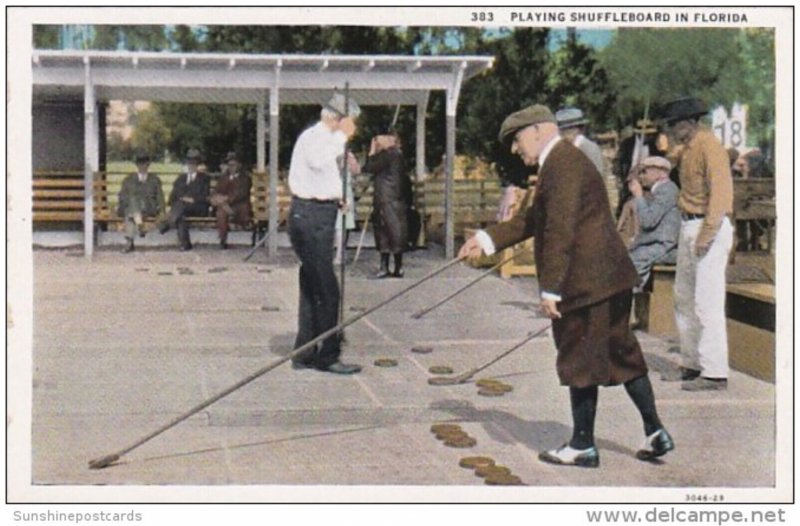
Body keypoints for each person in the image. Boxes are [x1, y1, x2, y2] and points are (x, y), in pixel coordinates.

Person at [460, 104, 673, 468]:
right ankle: (655, 432)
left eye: (517, 139)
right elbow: (532, 219)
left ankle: (582, 445)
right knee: (622, 353)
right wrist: (486, 238)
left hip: (586, 283)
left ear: (540, 130)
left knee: (579, 359)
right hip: (609, 278)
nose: (514, 149)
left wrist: (551, 289)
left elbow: (559, 228)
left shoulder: (561, 164)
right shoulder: (561, 162)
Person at [659, 97, 734, 391]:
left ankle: (714, 372)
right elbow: (674, 159)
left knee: (707, 301)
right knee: (684, 299)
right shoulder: (689, 148)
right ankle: (691, 364)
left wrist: (708, 233)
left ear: (690, 122)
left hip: (707, 225)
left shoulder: (709, 146)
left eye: (676, 124)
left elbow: (721, 193)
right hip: (689, 224)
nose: (673, 129)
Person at [286, 93, 362, 375]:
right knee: (328, 290)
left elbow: (321, 176)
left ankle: (304, 351)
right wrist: (341, 138)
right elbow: (318, 162)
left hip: (317, 212)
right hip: (311, 217)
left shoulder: (323, 139)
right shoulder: (315, 137)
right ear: (336, 118)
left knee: (313, 286)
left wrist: (336, 197)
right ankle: (327, 355)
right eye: (348, 122)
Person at [362, 130, 411, 278]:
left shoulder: (388, 155)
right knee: (395, 231)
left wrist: (372, 151)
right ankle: (398, 266)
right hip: (395, 198)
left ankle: (385, 266)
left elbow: (369, 167)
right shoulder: (397, 155)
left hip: (385, 198)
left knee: (384, 231)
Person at [627, 156, 681, 290]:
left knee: (629, 265)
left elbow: (648, 221)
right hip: (654, 244)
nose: (641, 176)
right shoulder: (660, 191)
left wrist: (639, 197)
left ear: (660, 173)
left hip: (663, 246)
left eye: (644, 172)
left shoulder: (667, 190)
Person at [161, 149, 211, 251]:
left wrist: (192, 200)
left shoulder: (204, 178)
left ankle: (167, 222)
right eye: (189, 163)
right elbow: (171, 198)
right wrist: (182, 199)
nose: (191, 166)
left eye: (193, 163)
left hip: (198, 207)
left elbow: (205, 196)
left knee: (180, 208)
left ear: (197, 165)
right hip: (181, 210)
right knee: (181, 217)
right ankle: (185, 244)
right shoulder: (180, 178)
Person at [117, 152, 166, 253]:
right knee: (132, 206)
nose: (142, 167)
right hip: (131, 208)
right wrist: (126, 204)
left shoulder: (155, 180)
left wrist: (162, 212)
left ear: (148, 165)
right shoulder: (128, 180)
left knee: (131, 212)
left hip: (148, 209)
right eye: (140, 164)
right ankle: (135, 234)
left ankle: (131, 240)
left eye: (144, 164)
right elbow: (122, 196)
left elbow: (160, 197)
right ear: (136, 165)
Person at [211, 151, 252, 249]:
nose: (231, 167)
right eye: (229, 165)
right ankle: (223, 240)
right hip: (224, 206)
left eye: (233, 164)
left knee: (223, 209)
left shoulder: (245, 178)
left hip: (240, 206)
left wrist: (225, 200)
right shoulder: (223, 177)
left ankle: (231, 215)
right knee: (221, 211)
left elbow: (240, 194)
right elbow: (216, 190)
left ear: (239, 165)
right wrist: (217, 199)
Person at [555, 107, 605, 174]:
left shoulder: (590, 149)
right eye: (563, 131)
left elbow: (596, 178)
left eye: (570, 130)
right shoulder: (561, 149)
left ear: (580, 129)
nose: (565, 135)